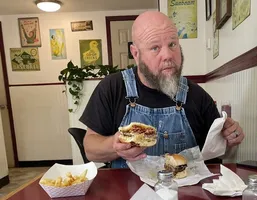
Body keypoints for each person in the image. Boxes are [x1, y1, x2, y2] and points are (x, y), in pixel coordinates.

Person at [80, 11, 244, 168]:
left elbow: (220, 154)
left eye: (172, 44)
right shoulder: (112, 88)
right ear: (136, 54)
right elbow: (90, 149)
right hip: (128, 194)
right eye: (155, 48)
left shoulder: (197, 96)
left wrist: (231, 139)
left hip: (182, 194)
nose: (168, 55)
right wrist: (114, 146)